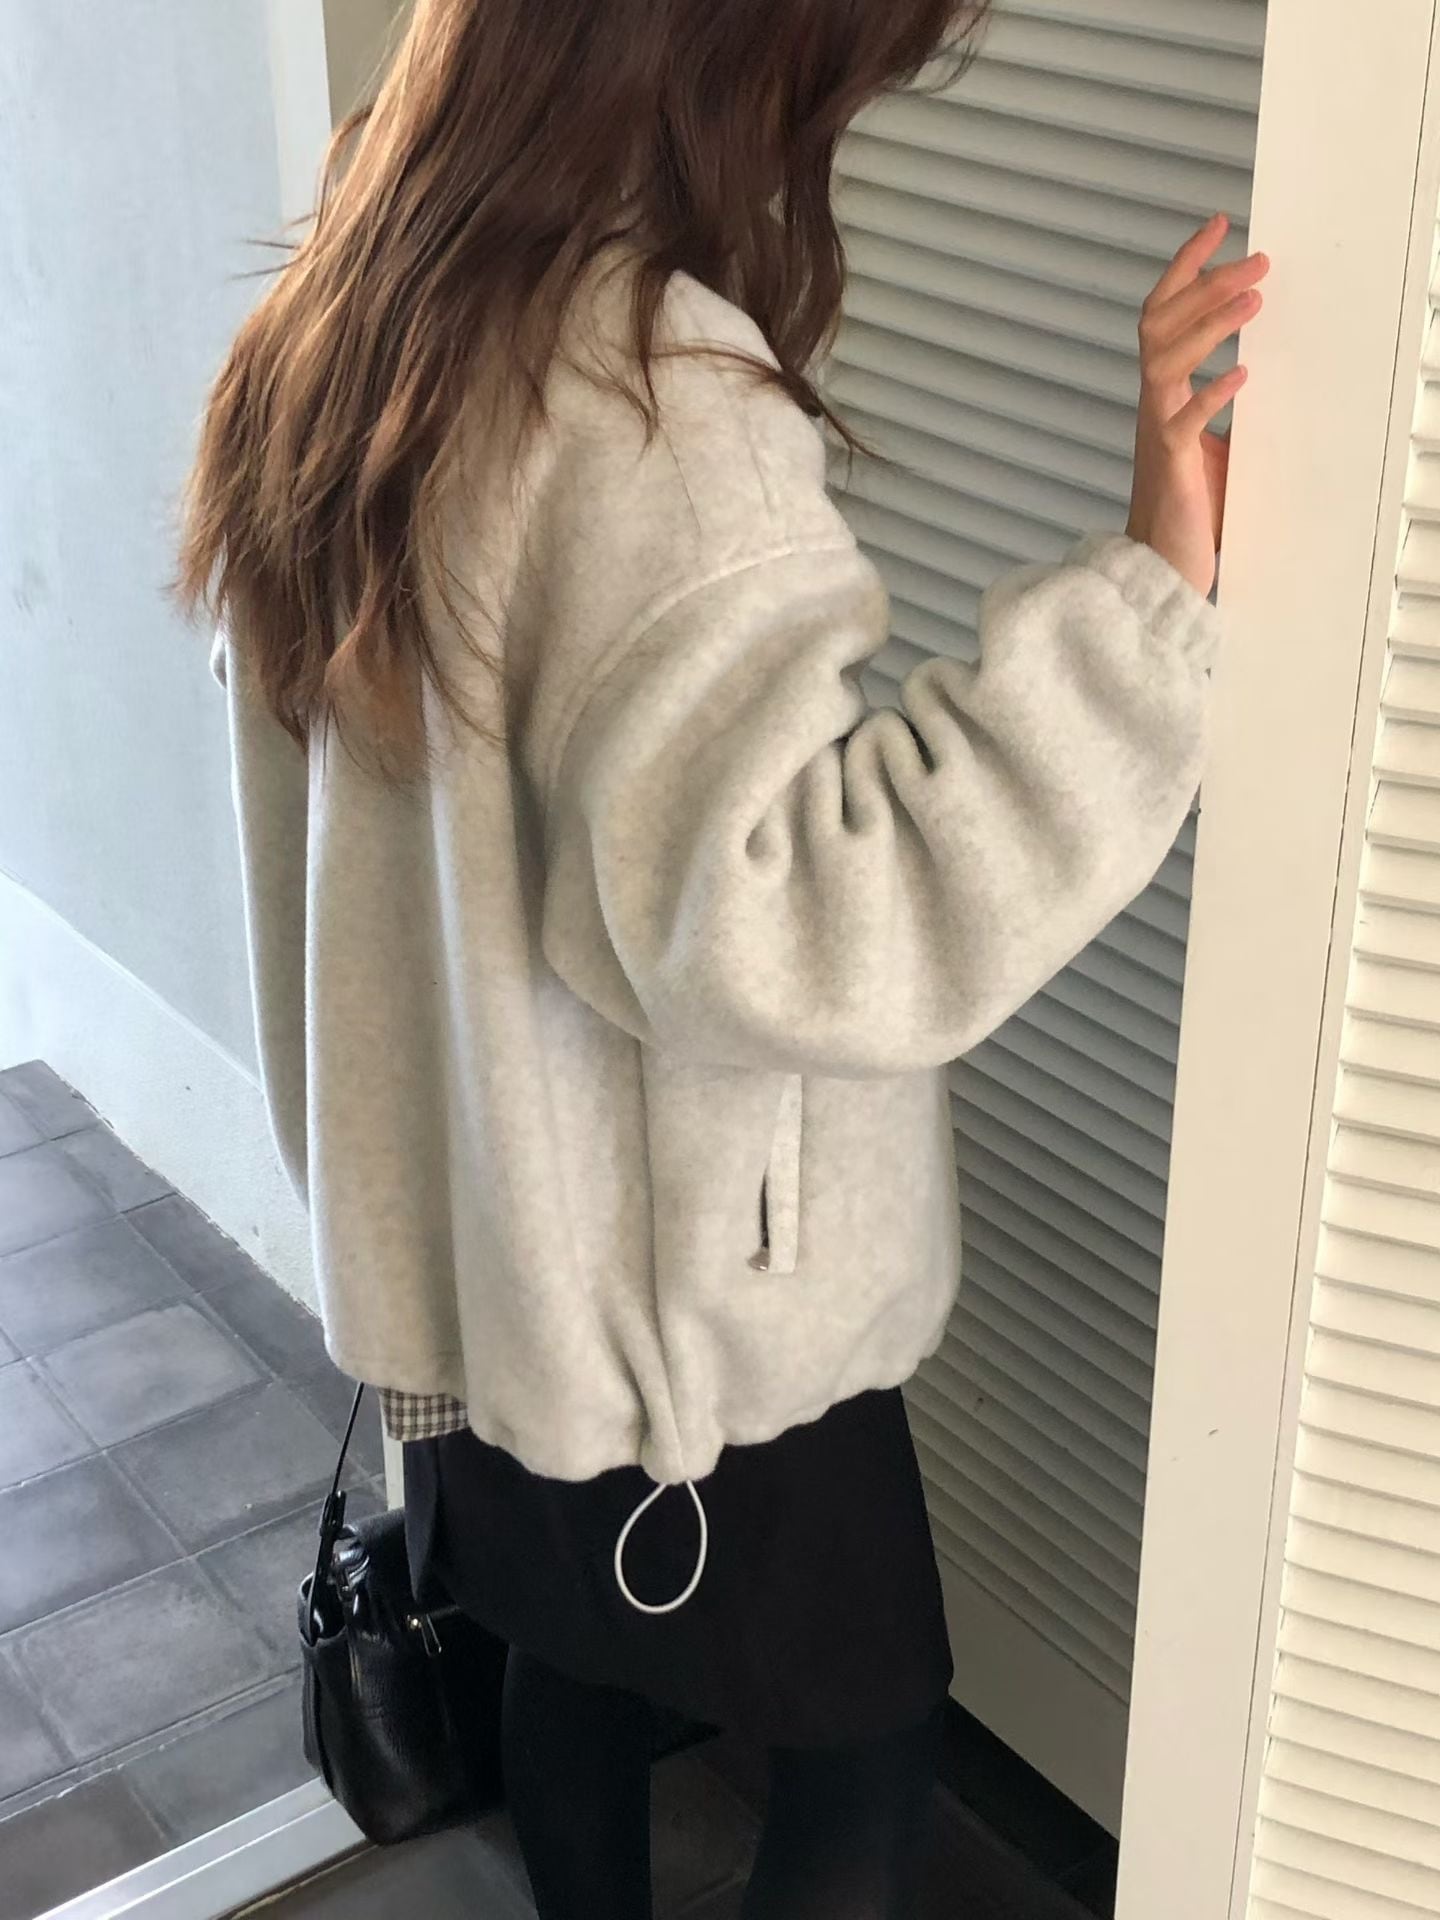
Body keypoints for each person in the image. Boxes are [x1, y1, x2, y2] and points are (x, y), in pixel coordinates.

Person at [180, 1, 1268, 1913]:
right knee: (867, 1754)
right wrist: (1148, 607)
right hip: (684, 1317)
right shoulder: (650, 397)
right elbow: (795, 924)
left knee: (574, 1663)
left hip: (488, 1262)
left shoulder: (355, 299)